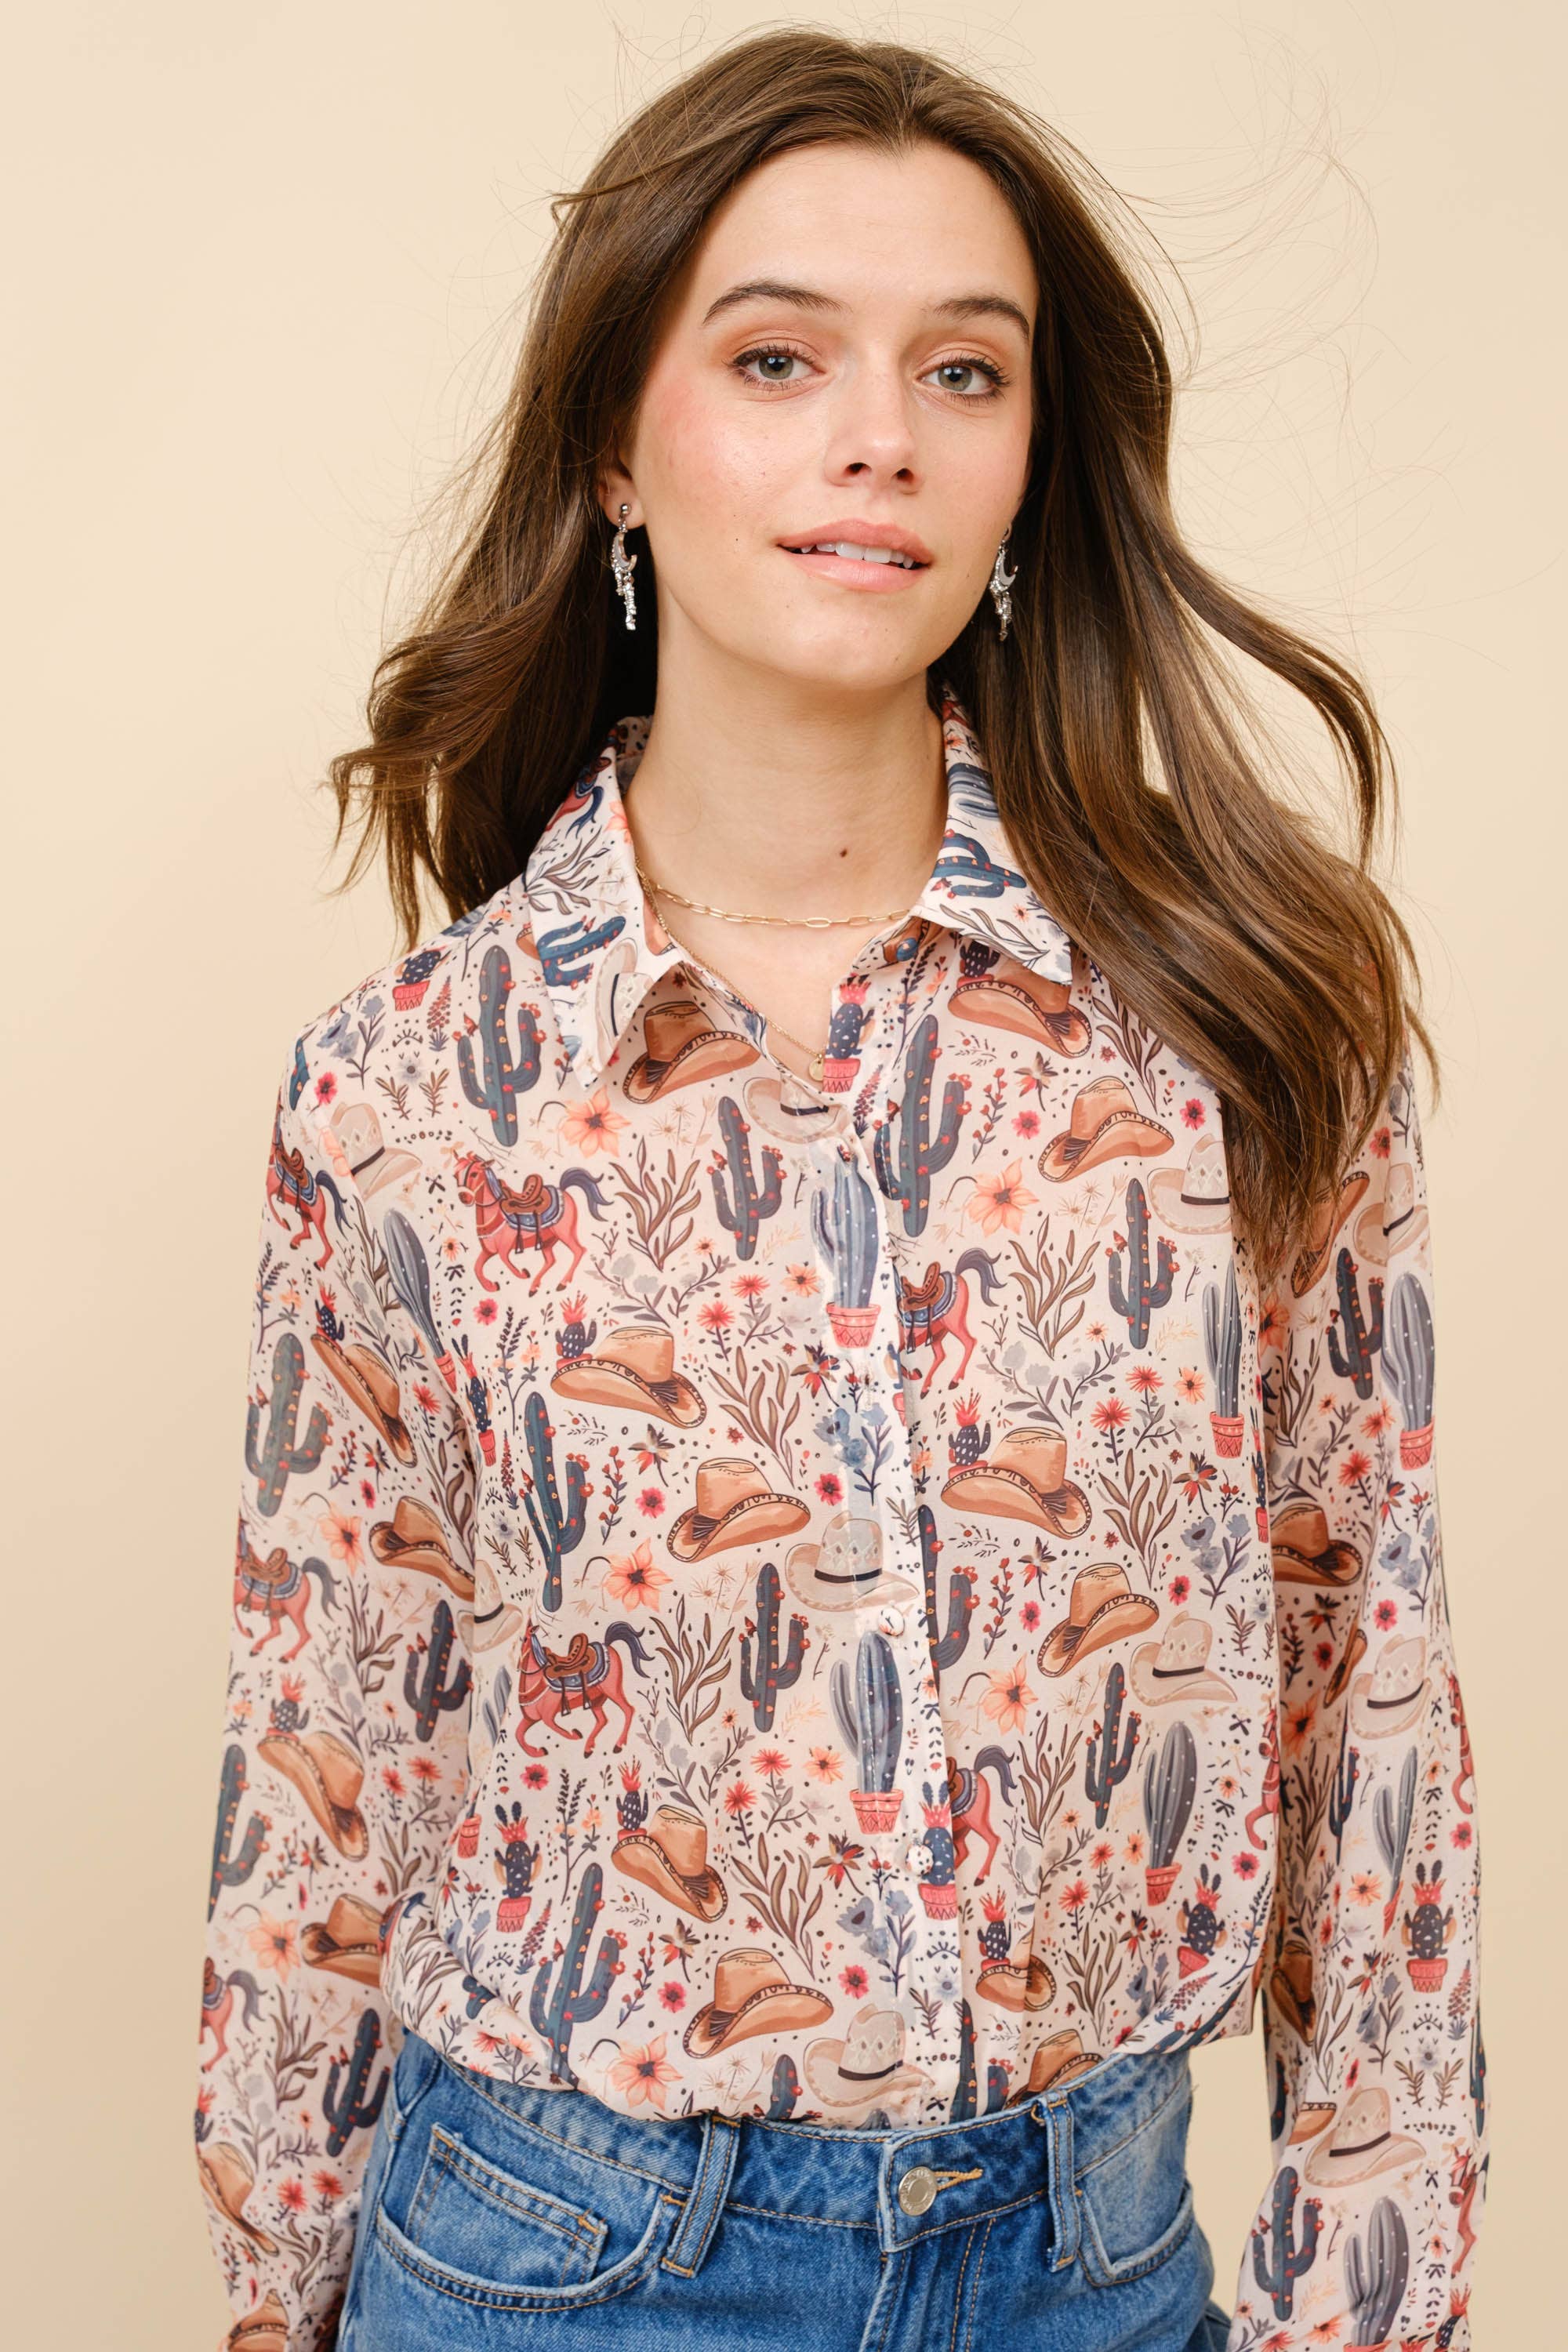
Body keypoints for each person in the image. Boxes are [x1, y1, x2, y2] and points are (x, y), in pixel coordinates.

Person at [194, 27, 1488, 2352]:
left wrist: (1364, 2293)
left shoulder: (1239, 1031)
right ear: (617, 437)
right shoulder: (406, 1096)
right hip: (549, 2263)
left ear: (1027, 458)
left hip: (1094, 2260)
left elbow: (1360, 1679)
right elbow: (331, 1771)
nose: (878, 434)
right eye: (777, 355)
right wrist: (281, 2294)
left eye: (964, 372)